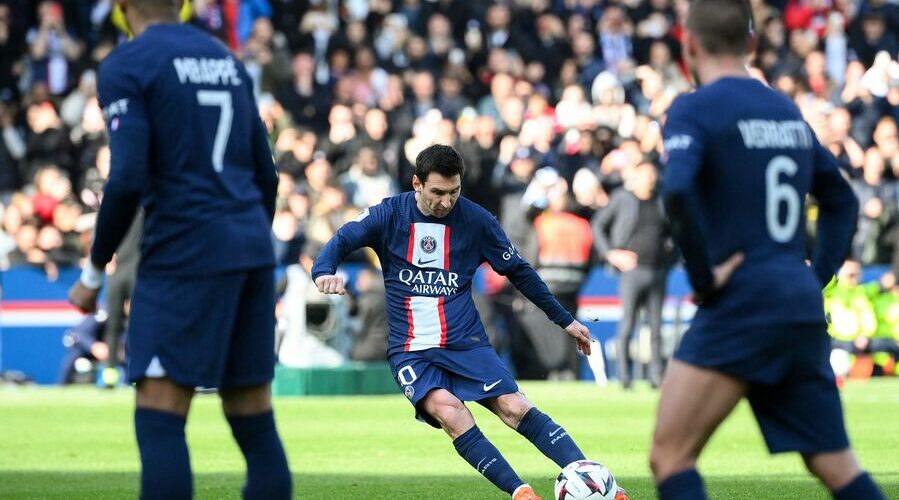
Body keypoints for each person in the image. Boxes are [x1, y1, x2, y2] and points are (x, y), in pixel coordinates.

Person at [649, 1, 885, 500]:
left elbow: (675, 191)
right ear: (752, 44)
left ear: (688, 45)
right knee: (835, 465)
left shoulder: (694, 107)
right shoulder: (784, 108)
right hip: (797, 301)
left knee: (670, 456)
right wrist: (815, 275)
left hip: (741, 299)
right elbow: (842, 198)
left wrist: (704, 278)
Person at [67, 1, 291, 499]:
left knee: (161, 420)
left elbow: (126, 178)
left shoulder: (128, 63)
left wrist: (91, 270)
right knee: (255, 425)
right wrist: (249, 239)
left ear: (123, 8)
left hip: (182, 252)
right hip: (251, 248)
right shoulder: (225, 59)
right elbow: (267, 173)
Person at [312, 144, 626, 500]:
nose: (446, 202)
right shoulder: (389, 214)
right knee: (450, 412)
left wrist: (565, 320)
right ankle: (522, 494)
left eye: (454, 192)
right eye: (437, 193)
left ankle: (595, 485)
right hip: (411, 349)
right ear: (416, 183)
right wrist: (324, 271)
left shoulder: (477, 220)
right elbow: (342, 239)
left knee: (514, 408)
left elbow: (519, 272)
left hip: (465, 341)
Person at [592, 161, 675, 389]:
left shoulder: (661, 200)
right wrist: (611, 254)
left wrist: (671, 253)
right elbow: (598, 224)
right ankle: (624, 377)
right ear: (635, 176)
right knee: (628, 323)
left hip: (657, 269)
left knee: (656, 326)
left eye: (652, 174)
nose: (649, 179)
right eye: (645, 174)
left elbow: (672, 230)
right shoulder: (622, 198)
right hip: (632, 271)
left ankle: (656, 377)